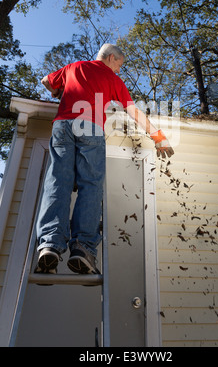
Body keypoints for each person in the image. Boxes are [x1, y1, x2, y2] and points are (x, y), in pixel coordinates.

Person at [35, 43, 174, 275]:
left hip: (62, 126)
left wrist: (58, 92)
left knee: (57, 182)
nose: (118, 70)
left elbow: (46, 81)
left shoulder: (74, 67)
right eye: (118, 65)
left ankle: (49, 245)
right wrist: (158, 136)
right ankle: (82, 248)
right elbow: (133, 111)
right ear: (111, 58)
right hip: (89, 128)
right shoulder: (113, 80)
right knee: (90, 185)